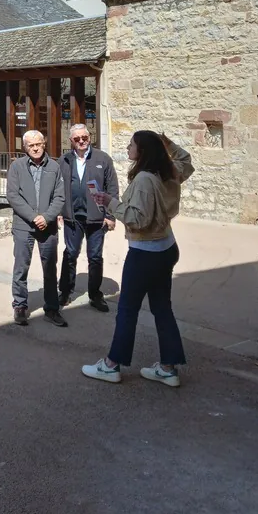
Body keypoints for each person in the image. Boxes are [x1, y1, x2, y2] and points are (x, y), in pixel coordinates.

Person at [82, 132, 194, 388]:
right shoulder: (168, 171)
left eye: (132, 144)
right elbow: (185, 160)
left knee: (127, 310)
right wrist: (167, 143)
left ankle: (111, 365)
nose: (128, 148)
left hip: (146, 252)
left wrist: (111, 203)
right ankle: (168, 368)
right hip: (166, 247)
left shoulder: (144, 179)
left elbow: (138, 219)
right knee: (162, 309)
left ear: (142, 151)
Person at [7, 130, 68, 328]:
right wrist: (34, 217)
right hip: (24, 226)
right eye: (31, 145)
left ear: (44, 143)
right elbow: (13, 196)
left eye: (39, 144)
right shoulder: (16, 166)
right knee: (21, 268)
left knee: (50, 269)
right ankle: (20, 306)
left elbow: (60, 197)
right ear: (25, 147)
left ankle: (51, 308)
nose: (35, 148)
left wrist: (47, 217)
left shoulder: (54, 166)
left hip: (48, 227)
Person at [58, 124, 119, 312]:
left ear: (89, 137)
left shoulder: (103, 159)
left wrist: (110, 215)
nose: (81, 141)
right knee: (70, 254)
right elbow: (57, 188)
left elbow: (112, 188)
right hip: (72, 217)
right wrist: (59, 211)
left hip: (96, 218)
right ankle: (66, 291)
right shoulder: (64, 160)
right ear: (71, 141)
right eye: (77, 139)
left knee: (95, 257)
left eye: (84, 137)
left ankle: (95, 294)